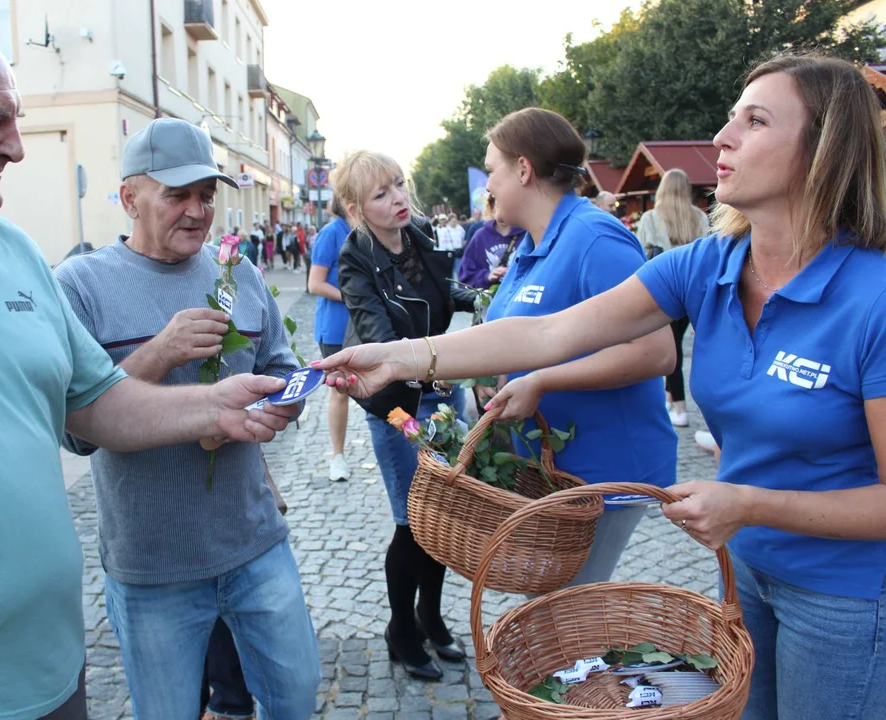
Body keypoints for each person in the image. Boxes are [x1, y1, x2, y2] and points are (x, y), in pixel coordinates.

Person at [318, 54, 886, 720]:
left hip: (846, 596)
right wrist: (402, 356)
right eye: (730, 116)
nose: (723, 137)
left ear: (822, 151)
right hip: (748, 573)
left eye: (754, 121)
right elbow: (549, 335)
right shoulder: (712, 262)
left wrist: (748, 503)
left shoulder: (870, 296)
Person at [0, 22, 293, 720]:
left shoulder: (14, 252)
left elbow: (94, 403)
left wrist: (218, 407)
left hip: (49, 680)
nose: (16, 145)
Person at [54, 118, 320, 720]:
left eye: (207, 194)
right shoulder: (81, 286)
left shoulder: (239, 274)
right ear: (129, 198)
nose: (198, 211)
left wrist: (281, 403)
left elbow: (284, 370)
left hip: (254, 542)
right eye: (177, 195)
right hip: (154, 565)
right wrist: (161, 352)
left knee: (297, 697)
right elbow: (73, 431)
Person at [477, 107, 677, 585]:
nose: (487, 187)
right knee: (546, 609)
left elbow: (657, 352)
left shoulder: (594, 236)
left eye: (491, 171)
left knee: (562, 615)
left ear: (523, 169)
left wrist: (542, 380)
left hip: (600, 471)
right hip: (549, 468)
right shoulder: (528, 245)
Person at [333, 150, 475, 681]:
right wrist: (427, 366)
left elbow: (442, 293)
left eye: (398, 185)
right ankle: (401, 629)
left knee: (442, 513)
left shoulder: (418, 233)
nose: (397, 198)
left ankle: (430, 617)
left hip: (444, 393)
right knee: (413, 519)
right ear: (356, 208)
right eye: (381, 193)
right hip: (398, 405)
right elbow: (377, 338)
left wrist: (485, 298)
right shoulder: (355, 258)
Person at [636, 168, 712, 428]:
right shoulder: (700, 217)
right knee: (682, 346)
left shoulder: (651, 218)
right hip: (695, 290)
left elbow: (641, 252)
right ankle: (672, 399)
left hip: (663, 291)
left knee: (670, 349)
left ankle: (679, 407)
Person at [308, 195, 354, 482]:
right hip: (336, 327)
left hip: (366, 326)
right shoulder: (330, 233)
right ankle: (337, 457)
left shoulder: (367, 230)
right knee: (340, 392)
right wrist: (353, 299)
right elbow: (315, 283)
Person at [457, 194, 525, 290]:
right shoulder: (480, 236)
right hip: (489, 300)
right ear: (491, 207)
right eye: (498, 204)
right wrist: (487, 277)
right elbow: (465, 278)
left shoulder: (527, 235)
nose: (502, 209)